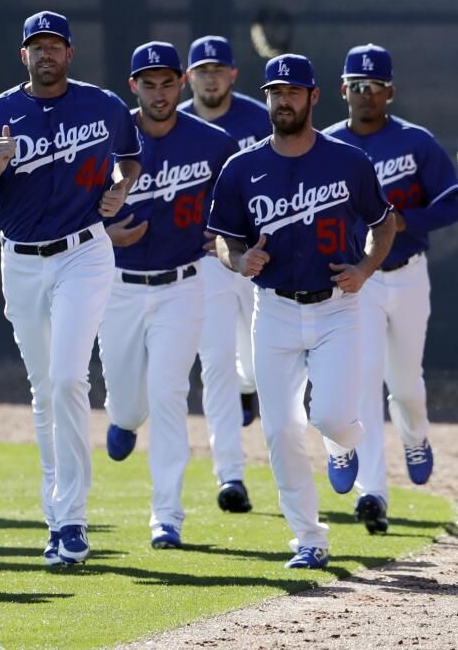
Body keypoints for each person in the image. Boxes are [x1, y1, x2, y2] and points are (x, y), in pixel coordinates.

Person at [0, 11, 141, 566]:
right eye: (37, 46)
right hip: (23, 261)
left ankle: (72, 519)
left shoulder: (103, 106)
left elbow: (130, 159)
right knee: (43, 388)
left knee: (66, 379)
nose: (46, 54)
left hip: (84, 251)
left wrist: (120, 189)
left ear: (69, 53)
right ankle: (56, 517)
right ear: (23, 56)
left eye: (55, 45)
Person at [206, 53, 396, 569]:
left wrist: (364, 268)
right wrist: (240, 259)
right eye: (275, 92)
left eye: (293, 91)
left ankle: (341, 445)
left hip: (336, 307)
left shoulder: (347, 161)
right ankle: (309, 538)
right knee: (280, 430)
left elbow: (385, 222)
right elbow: (223, 238)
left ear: (314, 97)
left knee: (332, 416)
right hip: (275, 310)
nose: (283, 100)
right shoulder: (242, 168)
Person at [98, 42, 238, 550]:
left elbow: (236, 207)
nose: (159, 92)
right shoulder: (107, 137)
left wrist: (223, 235)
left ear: (182, 84)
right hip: (118, 287)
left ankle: (167, 516)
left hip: (183, 284)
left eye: (167, 82)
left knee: (169, 395)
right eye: (148, 82)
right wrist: (103, 233)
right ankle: (121, 418)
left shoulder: (213, 142)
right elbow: (71, 206)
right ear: (132, 86)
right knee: (130, 404)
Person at [322, 44, 457, 533]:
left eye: (374, 86)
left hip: (407, 272)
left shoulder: (415, 142)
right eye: (356, 85)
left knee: (405, 384)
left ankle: (416, 436)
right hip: (359, 279)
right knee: (363, 382)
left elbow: (451, 199)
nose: (365, 94)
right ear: (342, 91)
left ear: (390, 92)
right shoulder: (327, 145)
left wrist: (407, 220)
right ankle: (372, 493)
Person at [179, 36, 268, 510]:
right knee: (214, 365)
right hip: (206, 259)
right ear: (188, 77)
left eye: (219, 68)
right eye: (202, 69)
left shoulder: (259, 117)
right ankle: (229, 476)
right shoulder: (175, 121)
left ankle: (249, 386)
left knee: (254, 365)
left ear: (233, 74)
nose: (210, 76)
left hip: (258, 256)